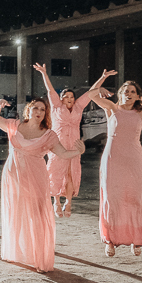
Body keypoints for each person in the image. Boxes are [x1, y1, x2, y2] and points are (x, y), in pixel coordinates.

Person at [0, 97, 85, 272]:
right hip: (13, 175)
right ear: (28, 110)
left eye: (42, 110)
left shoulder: (49, 135)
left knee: (37, 213)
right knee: (15, 212)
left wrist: (78, 152)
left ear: (46, 114)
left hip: (36, 176)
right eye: (35, 108)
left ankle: (40, 258)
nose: (39, 112)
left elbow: (62, 154)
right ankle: (15, 252)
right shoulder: (15, 125)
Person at [83, 72, 142, 256]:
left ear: (138, 96)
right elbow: (91, 95)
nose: (129, 94)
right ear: (119, 94)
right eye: (125, 91)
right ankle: (110, 240)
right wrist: (102, 78)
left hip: (133, 158)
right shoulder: (111, 108)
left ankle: (135, 238)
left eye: (132, 91)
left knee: (134, 197)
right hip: (112, 157)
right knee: (112, 198)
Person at [34, 63, 93, 218]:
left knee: (71, 173)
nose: (69, 98)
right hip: (57, 144)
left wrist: (103, 77)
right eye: (65, 96)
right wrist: (44, 73)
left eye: (71, 97)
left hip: (74, 145)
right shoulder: (55, 107)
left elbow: (91, 93)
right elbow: (50, 90)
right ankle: (57, 202)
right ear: (61, 99)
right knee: (55, 172)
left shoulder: (79, 107)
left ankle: (69, 202)